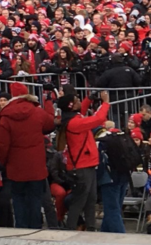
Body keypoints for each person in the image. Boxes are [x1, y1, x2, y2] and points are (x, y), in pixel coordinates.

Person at [0, 82, 55, 229]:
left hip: (16, 166)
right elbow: (50, 125)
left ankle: (22, 227)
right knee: (35, 199)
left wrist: (4, 162)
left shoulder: (6, 116)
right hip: (36, 165)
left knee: (18, 199)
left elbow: (2, 145)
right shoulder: (37, 111)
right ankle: (35, 228)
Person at [57, 91, 111, 230]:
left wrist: (89, 99)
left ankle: (91, 228)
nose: (80, 101)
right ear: (71, 106)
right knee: (79, 201)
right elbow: (98, 119)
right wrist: (105, 103)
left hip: (87, 164)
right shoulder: (75, 123)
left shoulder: (72, 118)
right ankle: (70, 229)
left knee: (90, 199)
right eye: (77, 100)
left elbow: (81, 110)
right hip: (82, 166)